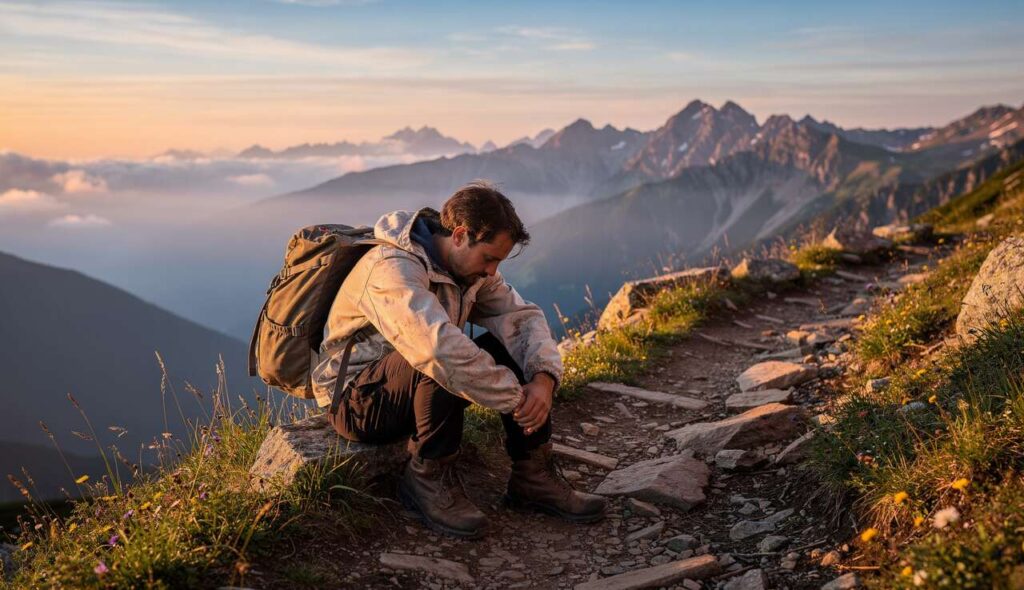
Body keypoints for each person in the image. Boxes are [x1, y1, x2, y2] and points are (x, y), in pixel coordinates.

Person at [310, 180, 607, 538]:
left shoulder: (467, 271)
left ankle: (533, 475)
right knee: (440, 353)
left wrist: (543, 381)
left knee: (509, 340)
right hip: (356, 402)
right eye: (489, 258)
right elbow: (436, 350)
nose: (492, 271)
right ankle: (428, 476)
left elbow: (522, 318)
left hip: (410, 388)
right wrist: (519, 399)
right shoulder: (391, 269)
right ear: (461, 235)